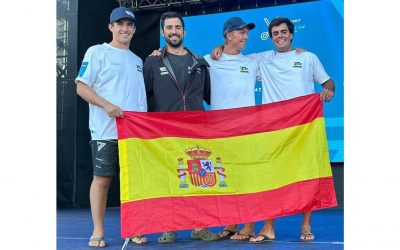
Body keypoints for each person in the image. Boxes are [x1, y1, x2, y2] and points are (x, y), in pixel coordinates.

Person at [212, 17, 335, 243]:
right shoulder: (261, 59)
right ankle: (268, 228)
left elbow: (328, 83)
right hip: (274, 131)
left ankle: (306, 226)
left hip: (303, 129)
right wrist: (219, 47)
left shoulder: (308, 57)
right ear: (271, 37)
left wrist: (328, 90)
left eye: (283, 32)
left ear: (291, 34)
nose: (280, 36)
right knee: (272, 179)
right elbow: (231, 55)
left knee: (306, 177)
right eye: (275, 33)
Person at [143, 11, 219, 243]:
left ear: (184, 32)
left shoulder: (200, 62)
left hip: (197, 131)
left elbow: (207, 96)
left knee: (201, 179)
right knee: (169, 180)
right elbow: (144, 97)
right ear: (163, 32)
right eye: (169, 28)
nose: (174, 31)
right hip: (165, 132)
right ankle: (170, 227)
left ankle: (200, 226)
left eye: (178, 27)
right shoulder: (152, 61)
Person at [75, 7, 148, 247]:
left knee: (135, 183)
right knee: (103, 179)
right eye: (120, 24)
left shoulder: (138, 61)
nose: (125, 29)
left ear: (135, 29)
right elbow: (81, 87)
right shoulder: (97, 52)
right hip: (105, 131)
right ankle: (98, 231)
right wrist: (107, 105)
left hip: (134, 134)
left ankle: (135, 228)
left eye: (129, 25)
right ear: (111, 27)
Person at [203, 17, 259, 241]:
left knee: (247, 178)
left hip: (247, 130)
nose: (246, 36)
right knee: (226, 178)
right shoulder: (208, 60)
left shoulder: (254, 62)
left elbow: (280, 62)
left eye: (247, 32)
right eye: (241, 32)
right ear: (228, 35)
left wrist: (298, 53)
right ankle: (231, 224)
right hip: (220, 131)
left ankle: (250, 225)